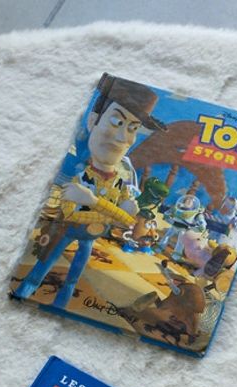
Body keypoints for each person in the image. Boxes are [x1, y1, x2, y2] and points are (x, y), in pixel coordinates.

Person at [13, 76, 166, 309]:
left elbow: (127, 222)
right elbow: (69, 213)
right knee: (42, 267)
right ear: (93, 120)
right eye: (116, 121)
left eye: (133, 128)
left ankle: (60, 307)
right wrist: (111, 212)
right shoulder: (77, 172)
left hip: (89, 238)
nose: (122, 137)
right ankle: (22, 295)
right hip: (66, 231)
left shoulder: (121, 179)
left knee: (73, 279)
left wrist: (93, 202)